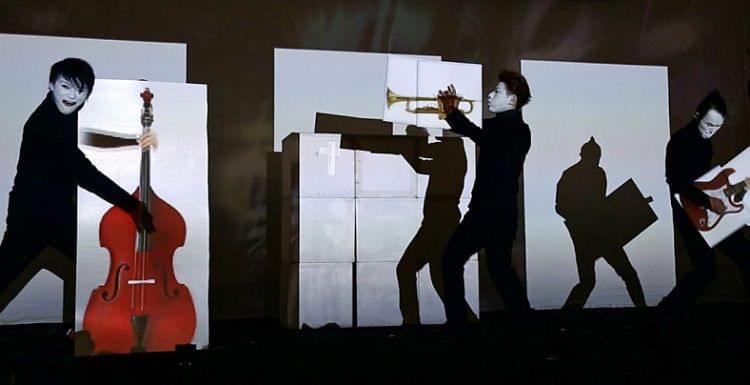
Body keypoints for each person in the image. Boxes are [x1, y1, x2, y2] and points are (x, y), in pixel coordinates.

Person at [0, 58, 156, 321]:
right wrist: (132, 205)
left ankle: (81, 329)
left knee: (96, 271)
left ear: (87, 94)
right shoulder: (43, 126)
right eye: (65, 86)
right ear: (51, 85)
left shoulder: (67, 113)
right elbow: (85, 173)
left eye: (80, 90)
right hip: (29, 220)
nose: (72, 95)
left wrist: (137, 98)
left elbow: (92, 134)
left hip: (58, 214)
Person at [648, 90, 750, 335]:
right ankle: (662, 320)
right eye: (708, 124)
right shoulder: (680, 142)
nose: (711, 130)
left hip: (711, 213)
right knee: (706, 269)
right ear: (696, 115)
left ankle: (664, 319)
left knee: (745, 257)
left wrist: (737, 196)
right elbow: (677, 182)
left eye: (717, 127)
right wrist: (708, 202)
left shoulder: (706, 143)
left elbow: (707, 181)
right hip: (688, 215)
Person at [436, 70, 532, 331]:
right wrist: (453, 113)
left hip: (490, 214)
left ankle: (458, 326)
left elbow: (482, 137)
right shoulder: (497, 125)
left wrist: (454, 113)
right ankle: (526, 325)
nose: (490, 95)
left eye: (498, 92)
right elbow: (473, 130)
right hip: (496, 213)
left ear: (513, 101)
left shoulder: (519, 130)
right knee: (500, 270)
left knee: (452, 260)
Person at [556, 137, 646, 309]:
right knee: (618, 275)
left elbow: (599, 205)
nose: (597, 160)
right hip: (594, 234)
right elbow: (561, 206)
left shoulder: (590, 174)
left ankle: (565, 317)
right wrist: (581, 218)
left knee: (590, 280)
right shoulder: (590, 174)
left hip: (596, 232)